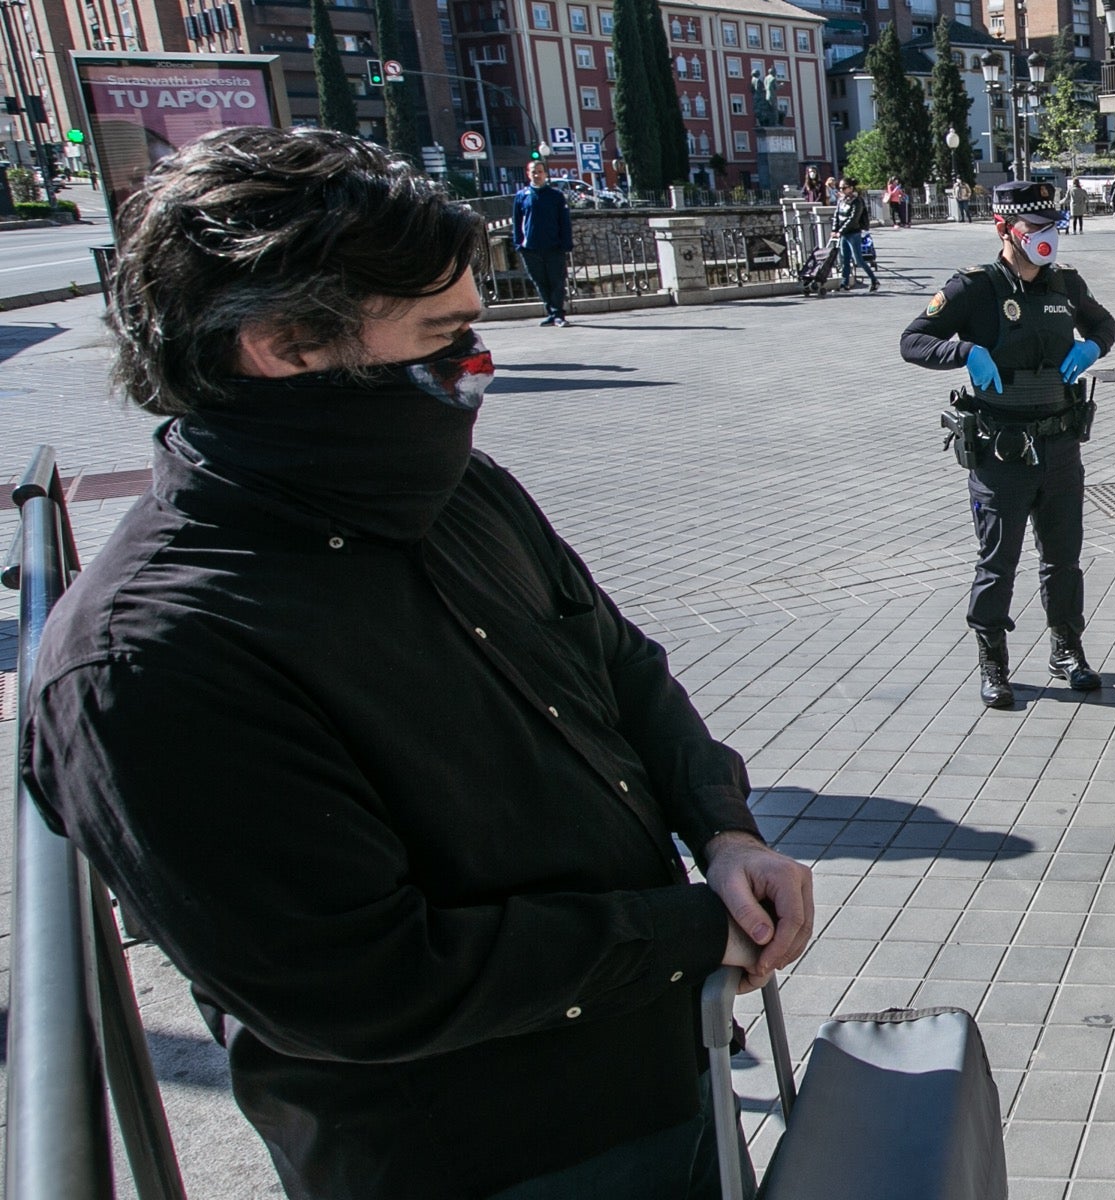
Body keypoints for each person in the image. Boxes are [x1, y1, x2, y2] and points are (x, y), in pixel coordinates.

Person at [20, 126, 815, 1200]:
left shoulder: (457, 491)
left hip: (662, 1081)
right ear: (289, 343)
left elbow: (620, 665)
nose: (479, 370)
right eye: (445, 340)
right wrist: (687, 931)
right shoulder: (148, 662)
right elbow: (364, 984)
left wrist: (719, 825)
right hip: (482, 1163)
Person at [899, 180, 1115, 708]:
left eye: (1053, 227)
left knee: (1063, 558)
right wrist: (965, 351)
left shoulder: (1065, 284)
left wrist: (1092, 347)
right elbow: (912, 339)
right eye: (1036, 229)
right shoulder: (975, 288)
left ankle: (1067, 649)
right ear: (1005, 230)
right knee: (999, 561)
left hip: (1061, 444)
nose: (1048, 238)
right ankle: (993, 662)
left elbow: (1105, 323)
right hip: (1003, 451)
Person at [513, 159, 573, 327]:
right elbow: (517, 222)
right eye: (533, 171)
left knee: (557, 281)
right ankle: (551, 312)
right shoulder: (521, 196)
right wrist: (518, 244)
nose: (537, 175)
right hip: (530, 248)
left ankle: (559, 313)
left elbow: (564, 221)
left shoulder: (556, 196)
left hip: (554, 247)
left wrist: (566, 243)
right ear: (528, 174)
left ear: (545, 174)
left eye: (540, 171)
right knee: (540, 282)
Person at [830, 173, 878, 292]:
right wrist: (834, 229)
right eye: (839, 188)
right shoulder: (841, 200)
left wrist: (840, 231)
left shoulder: (857, 201)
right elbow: (836, 215)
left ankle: (874, 280)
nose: (840, 190)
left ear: (851, 188)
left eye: (843, 188)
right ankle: (844, 284)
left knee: (859, 261)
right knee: (844, 260)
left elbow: (853, 219)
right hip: (844, 234)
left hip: (854, 233)